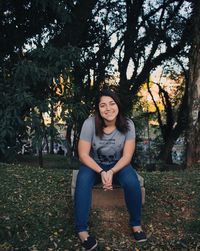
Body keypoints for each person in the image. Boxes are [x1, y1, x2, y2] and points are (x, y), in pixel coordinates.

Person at [74, 89, 147, 251]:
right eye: (103, 105)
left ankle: (136, 224)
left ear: (118, 105)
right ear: (98, 109)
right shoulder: (89, 124)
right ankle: (82, 230)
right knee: (82, 180)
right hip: (94, 166)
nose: (108, 108)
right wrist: (101, 172)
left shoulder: (128, 125)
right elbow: (83, 155)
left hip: (119, 165)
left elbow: (127, 156)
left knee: (132, 182)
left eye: (112, 103)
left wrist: (112, 171)